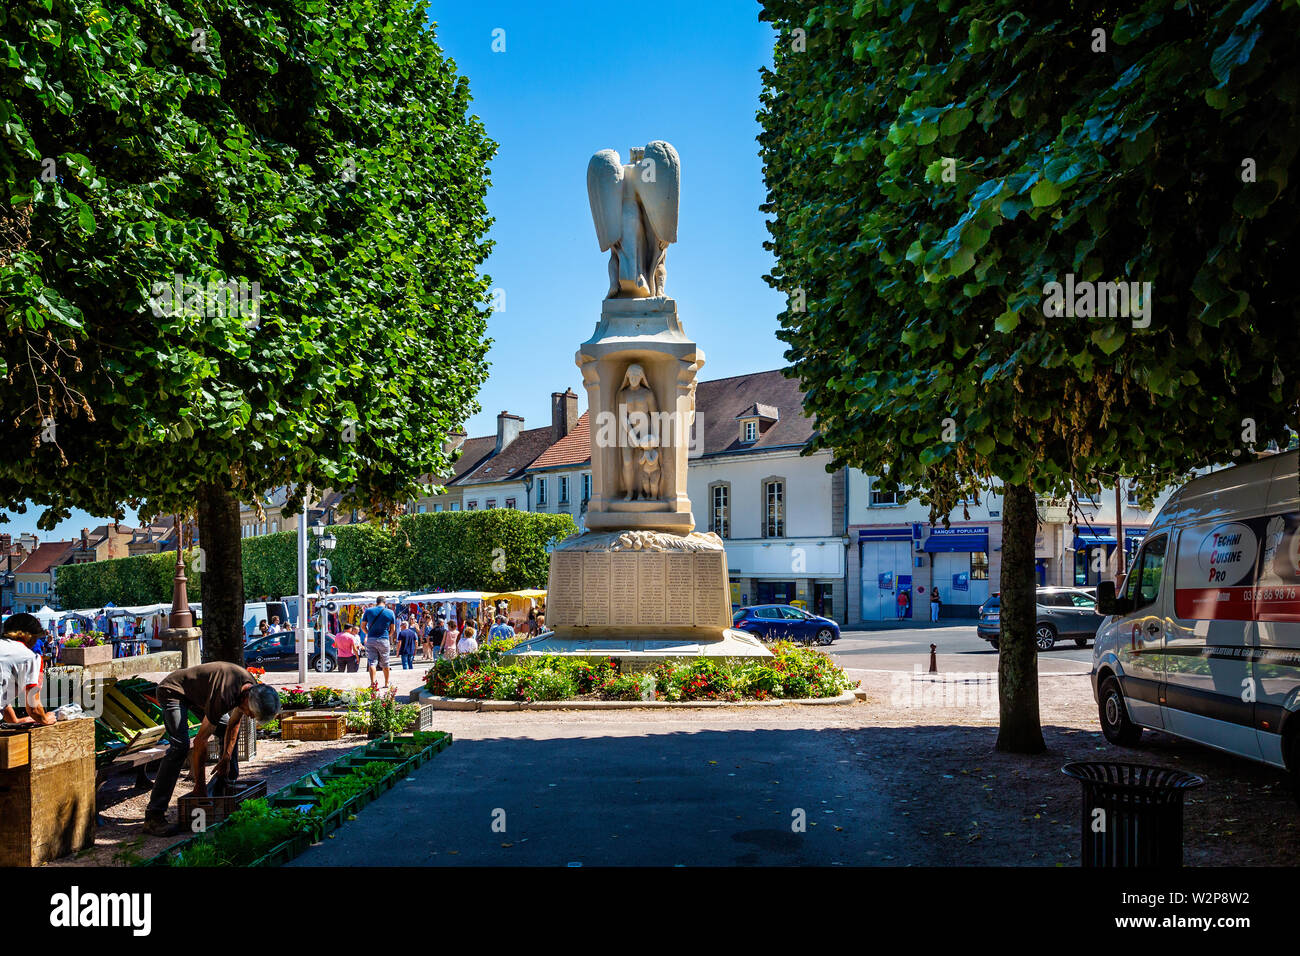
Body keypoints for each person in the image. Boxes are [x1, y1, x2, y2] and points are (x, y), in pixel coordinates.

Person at [143, 661, 280, 835]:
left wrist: (226, 758)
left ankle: (224, 783)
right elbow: (200, 742)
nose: (251, 717)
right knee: (180, 747)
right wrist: (199, 785)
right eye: (252, 713)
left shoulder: (250, 688)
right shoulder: (225, 696)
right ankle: (154, 816)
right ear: (246, 700)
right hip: (173, 691)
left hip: (197, 695)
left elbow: (234, 724)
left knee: (226, 734)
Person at [0, 614, 53, 726]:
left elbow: (2, 694)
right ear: (30, 636)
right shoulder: (30, 657)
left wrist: (14, 721)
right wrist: (45, 719)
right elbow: (34, 708)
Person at [360, 596, 396, 691]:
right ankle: (386, 683)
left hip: (371, 639)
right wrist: (387, 635)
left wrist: (368, 633)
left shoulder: (368, 611)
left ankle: (373, 683)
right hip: (383, 639)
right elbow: (393, 629)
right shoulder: (390, 612)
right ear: (385, 602)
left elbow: (362, 626)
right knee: (385, 663)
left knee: (372, 662)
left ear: (376, 602)